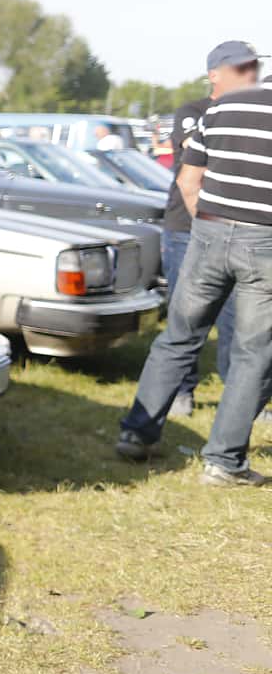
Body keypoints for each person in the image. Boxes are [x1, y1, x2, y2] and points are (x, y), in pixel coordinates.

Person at [116, 40, 272, 484]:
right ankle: (223, 462)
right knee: (253, 353)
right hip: (264, 242)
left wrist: (208, 226)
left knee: (179, 338)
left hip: (207, 233)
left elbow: (189, 179)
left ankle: (137, 434)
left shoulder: (220, 109)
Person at [156, 42, 261, 415]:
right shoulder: (194, 112)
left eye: (253, 67)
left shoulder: (256, 112)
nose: (251, 74)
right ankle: (181, 392)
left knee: (240, 321)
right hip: (188, 229)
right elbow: (196, 167)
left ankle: (239, 398)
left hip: (238, 234)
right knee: (186, 319)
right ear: (214, 74)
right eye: (241, 68)